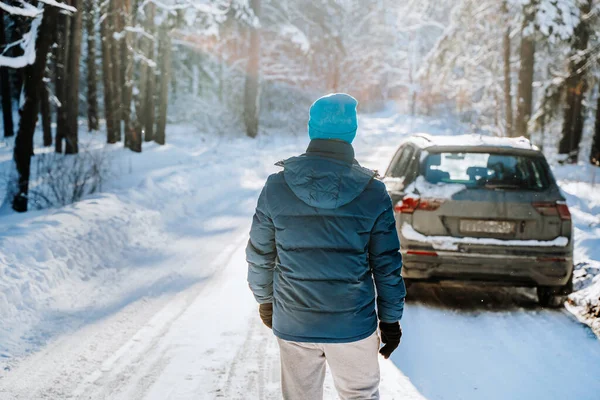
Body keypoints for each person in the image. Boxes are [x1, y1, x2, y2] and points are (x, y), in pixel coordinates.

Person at [246, 93, 406, 400]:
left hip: (295, 319)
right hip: (352, 324)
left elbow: (260, 255)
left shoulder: (276, 187)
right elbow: (387, 265)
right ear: (352, 132)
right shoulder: (373, 192)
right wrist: (390, 319)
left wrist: (266, 300)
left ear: (312, 129)